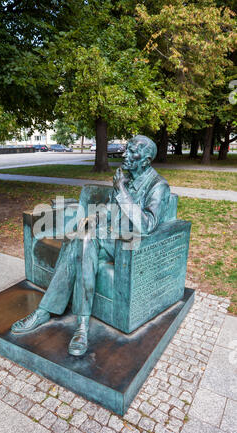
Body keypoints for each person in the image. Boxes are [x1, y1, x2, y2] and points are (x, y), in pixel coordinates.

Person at [11, 135, 170, 356]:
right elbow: (107, 209)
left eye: (132, 151)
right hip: (104, 237)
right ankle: (81, 325)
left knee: (83, 239)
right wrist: (93, 218)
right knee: (82, 239)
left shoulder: (158, 186)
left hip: (127, 245)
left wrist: (122, 192)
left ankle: (46, 311)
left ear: (146, 160)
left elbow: (148, 225)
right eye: (127, 148)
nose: (125, 154)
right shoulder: (125, 178)